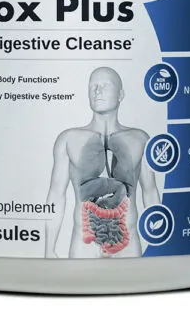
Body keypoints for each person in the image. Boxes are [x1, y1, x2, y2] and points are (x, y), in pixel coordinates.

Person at [45, 67, 160, 258]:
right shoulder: (68, 139)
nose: (97, 91)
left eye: (105, 86)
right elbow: (56, 195)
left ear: (121, 94)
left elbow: (151, 192)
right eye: (93, 86)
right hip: (84, 242)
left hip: (128, 241)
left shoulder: (140, 140)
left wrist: (159, 244)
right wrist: (49, 249)